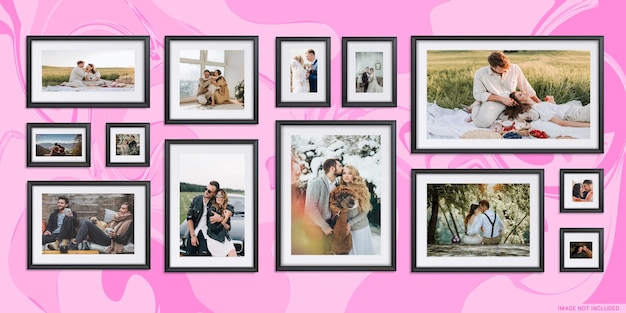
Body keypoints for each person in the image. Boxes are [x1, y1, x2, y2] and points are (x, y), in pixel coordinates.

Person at [470, 51, 540, 127]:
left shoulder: (514, 68)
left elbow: (526, 87)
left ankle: (500, 115)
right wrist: (502, 99)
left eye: (507, 68)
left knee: (534, 115)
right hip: (495, 100)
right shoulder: (480, 74)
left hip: (513, 100)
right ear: (492, 67)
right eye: (503, 70)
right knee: (482, 123)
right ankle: (477, 105)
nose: (506, 70)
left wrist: (539, 102)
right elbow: (478, 95)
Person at [303, 158, 343, 254]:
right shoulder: (316, 183)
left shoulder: (335, 184)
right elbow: (311, 207)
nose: (342, 168)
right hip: (314, 227)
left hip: (328, 225)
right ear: (332, 169)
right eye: (340, 166)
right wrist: (324, 226)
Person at [339, 164, 374, 255]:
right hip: (346, 230)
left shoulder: (361, 189)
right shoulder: (340, 189)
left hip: (360, 229)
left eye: (349, 173)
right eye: (344, 173)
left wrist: (350, 223)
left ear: (354, 175)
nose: (346, 175)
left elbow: (364, 211)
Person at [509, 92, 590, 127]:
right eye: (520, 95)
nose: (524, 92)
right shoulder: (538, 107)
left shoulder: (538, 104)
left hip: (576, 110)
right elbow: (561, 123)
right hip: (575, 114)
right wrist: (589, 125)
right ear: (520, 102)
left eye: (520, 92)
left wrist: (551, 102)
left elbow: (555, 110)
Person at [185, 181, 222, 255]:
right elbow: (189, 218)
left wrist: (220, 217)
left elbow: (229, 208)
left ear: (215, 194)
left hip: (207, 237)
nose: (206, 192)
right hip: (194, 233)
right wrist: (192, 236)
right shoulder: (196, 199)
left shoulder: (217, 204)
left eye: (209, 191)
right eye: (206, 189)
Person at [206, 189, 238, 257]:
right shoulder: (212, 210)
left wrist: (221, 220)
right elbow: (215, 230)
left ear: (224, 198)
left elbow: (228, 227)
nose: (218, 197)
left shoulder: (227, 210)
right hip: (215, 240)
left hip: (226, 238)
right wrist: (225, 218)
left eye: (221, 196)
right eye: (217, 195)